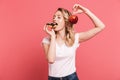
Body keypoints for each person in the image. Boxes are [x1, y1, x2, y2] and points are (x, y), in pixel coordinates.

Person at [42, 4, 105, 80]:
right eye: (54, 17)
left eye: (58, 17)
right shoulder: (46, 41)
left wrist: (86, 11)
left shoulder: (74, 38)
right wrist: (52, 37)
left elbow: (101, 26)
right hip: (53, 78)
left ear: (66, 21)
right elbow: (51, 60)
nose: (55, 19)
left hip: (71, 77)